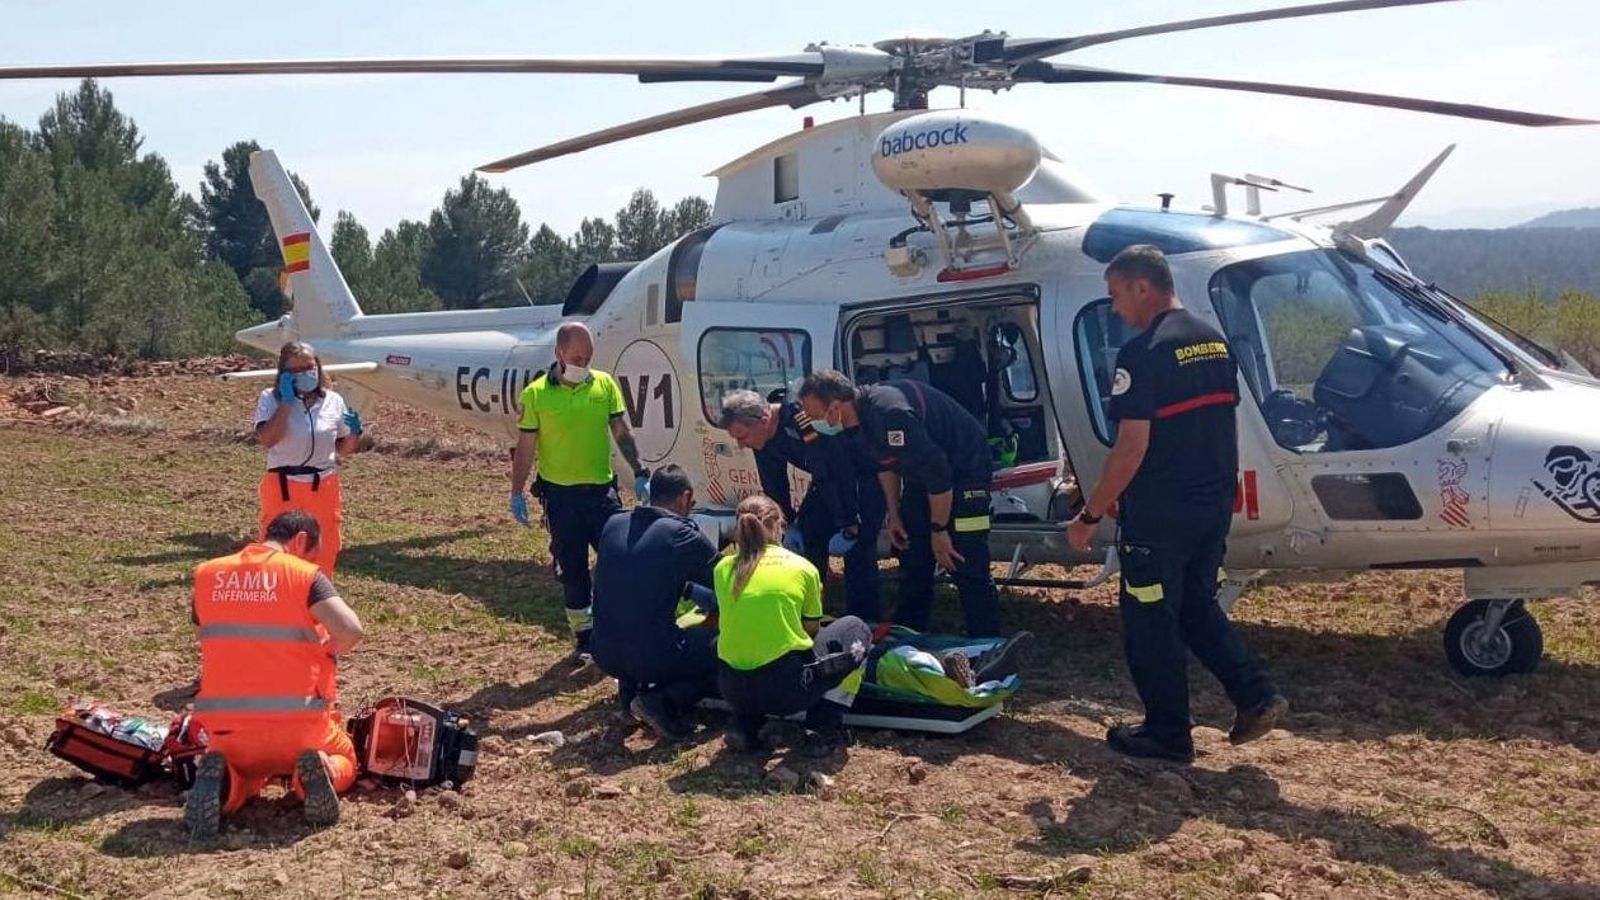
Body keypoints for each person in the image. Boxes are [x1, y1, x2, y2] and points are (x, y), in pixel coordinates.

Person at [1067, 244, 1287, 763]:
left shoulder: (1143, 354)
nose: (1116, 309)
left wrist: (1091, 512)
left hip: (1158, 515)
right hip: (1210, 507)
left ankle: (1167, 734)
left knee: (1149, 622)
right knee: (1194, 606)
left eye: (1117, 295)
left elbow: (1131, 446)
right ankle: (1255, 693)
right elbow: (1223, 427)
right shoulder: (1214, 343)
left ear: (1143, 287)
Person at [186, 510, 365, 837]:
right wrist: (328, 647)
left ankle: (228, 785)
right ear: (300, 541)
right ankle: (318, 772)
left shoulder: (207, 574)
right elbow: (351, 630)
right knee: (346, 756)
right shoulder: (304, 576)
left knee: (249, 775)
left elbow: (203, 633)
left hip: (229, 734)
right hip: (299, 729)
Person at [798, 370, 1001, 637]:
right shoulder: (855, 425)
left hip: (964, 471)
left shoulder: (890, 413)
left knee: (964, 558)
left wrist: (939, 530)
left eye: (813, 415)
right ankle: (909, 636)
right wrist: (894, 513)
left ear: (835, 406)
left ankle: (987, 640)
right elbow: (885, 464)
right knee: (912, 553)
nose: (811, 422)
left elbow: (938, 472)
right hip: (922, 477)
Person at [509, 322, 651, 654]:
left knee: (620, 562)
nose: (583, 364)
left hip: (601, 495)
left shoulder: (604, 385)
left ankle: (620, 627)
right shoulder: (536, 395)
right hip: (561, 499)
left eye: (588, 357)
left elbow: (620, 431)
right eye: (577, 357)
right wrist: (517, 491)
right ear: (559, 353)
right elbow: (526, 446)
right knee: (572, 572)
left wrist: (640, 470)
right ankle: (585, 638)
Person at [715, 495, 872, 758]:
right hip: (785, 690)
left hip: (732, 688)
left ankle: (745, 724)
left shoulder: (722, 568)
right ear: (780, 526)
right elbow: (811, 630)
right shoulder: (803, 568)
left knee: (750, 643)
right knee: (856, 628)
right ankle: (821, 726)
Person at [718, 389, 887, 621]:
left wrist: (848, 522)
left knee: (858, 551)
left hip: (859, 478)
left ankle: (865, 621)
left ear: (764, 420)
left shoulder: (801, 420)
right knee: (809, 537)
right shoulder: (762, 439)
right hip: (826, 481)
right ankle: (808, 614)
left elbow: (833, 469)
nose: (740, 445)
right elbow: (774, 484)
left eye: (742, 436)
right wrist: (786, 523)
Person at [590, 465, 720, 741]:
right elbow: (727, 580)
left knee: (633, 615)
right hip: (651, 657)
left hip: (603, 651)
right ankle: (661, 701)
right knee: (719, 649)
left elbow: (636, 578)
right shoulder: (680, 533)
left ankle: (628, 698)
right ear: (685, 498)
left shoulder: (614, 523)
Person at [253, 341, 363, 576]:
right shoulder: (269, 399)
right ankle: (276, 598)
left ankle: (317, 598)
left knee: (326, 545)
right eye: (296, 370)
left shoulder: (333, 400)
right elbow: (268, 439)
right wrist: (286, 402)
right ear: (284, 373)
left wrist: (354, 433)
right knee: (277, 547)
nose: (305, 373)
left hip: (323, 484)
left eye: (309, 366)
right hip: (283, 485)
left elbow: (343, 450)